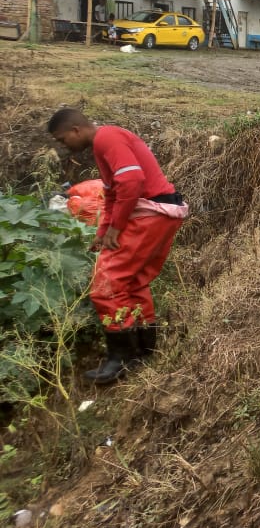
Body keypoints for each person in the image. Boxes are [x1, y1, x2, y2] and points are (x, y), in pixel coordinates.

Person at [47, 108, 188, 384]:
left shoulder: (106, 138)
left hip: (150, 213)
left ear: (76, 130)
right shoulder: (104, 143)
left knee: (107, 285)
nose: (63, 146)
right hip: (161, 213)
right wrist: (103, 232)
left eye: (62, 140)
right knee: (133, 281)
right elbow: (112, 193)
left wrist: (116, 227)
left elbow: (132, 182)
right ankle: (144, 351)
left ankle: (120, 358)